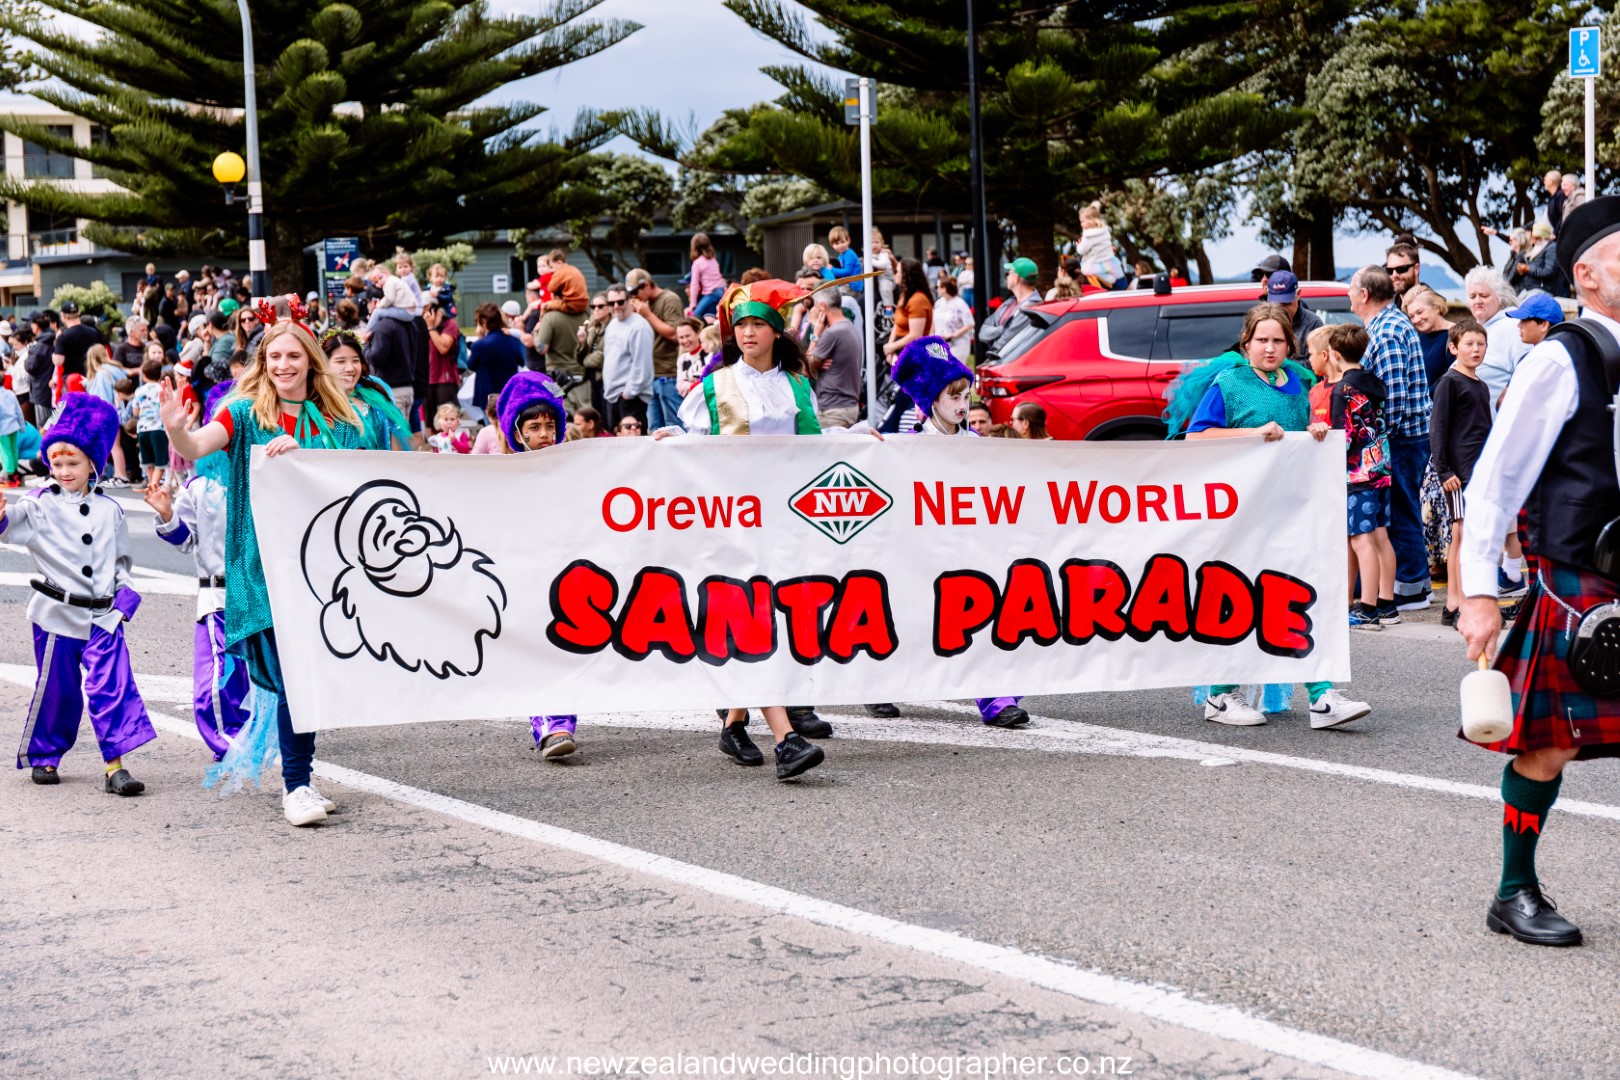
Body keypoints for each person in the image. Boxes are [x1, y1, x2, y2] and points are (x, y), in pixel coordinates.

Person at [1455, 196, 1620, 948]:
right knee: (1551, 744)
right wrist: (1478, 594)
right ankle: (1513, 891)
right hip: (1582, 578)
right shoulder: (1559, 359)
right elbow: (1495, 482)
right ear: (1586, 274)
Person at [159, 316, 369, 827]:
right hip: (263, 567)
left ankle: (302, 779)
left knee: (309, 678)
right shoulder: (243, 413)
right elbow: (196, 447)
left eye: (293, 355)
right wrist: (175, 428)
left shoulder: (340, 419)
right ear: (263, 362)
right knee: (294, 676)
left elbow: (357, 477)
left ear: (311, 361)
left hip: (325, 570)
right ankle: (296, 786)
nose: (283, 365)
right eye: (274, 356)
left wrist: (306, 454)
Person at [665, 279, 855, 778]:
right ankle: (786, 740)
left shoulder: (797, 385)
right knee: (758, 620)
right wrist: (670, 443)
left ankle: (733, 723)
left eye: (757, 325)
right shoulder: (714, 385)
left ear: (775, 332)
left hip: (786, 521)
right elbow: (695, 448)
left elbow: (813, 449)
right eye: (742, 325)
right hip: (732, 522)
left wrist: (857, 439)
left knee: (771, 619)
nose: (747, 332)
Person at [1167, 303, 1368, 729]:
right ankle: (1221, 695)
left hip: (1291, 509)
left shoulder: (1300, 382)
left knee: (1297, 596)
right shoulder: (1230, 382)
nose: (1270, 348)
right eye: (1262, 340)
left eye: (1278, 340)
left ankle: (1320, 695)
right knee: (1245, 600)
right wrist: (1253, 433)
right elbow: (1197, 436)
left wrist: (1314, 432)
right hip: (1240, 513)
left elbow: (1300, 432)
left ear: (1290, 345)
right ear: (1247, 342)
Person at [868, 336, 1030, 726]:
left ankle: (996, 696)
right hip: (919, 550)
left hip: (969, 548)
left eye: (965, 396)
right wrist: (866, 444)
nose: (961, 405)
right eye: (952, 396)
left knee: (985, 612)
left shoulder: (977, 443)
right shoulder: (907, 444)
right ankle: (879, 683)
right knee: (908, 616)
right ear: (931, 400)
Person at [2, 392, 153, 794]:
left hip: (104, 616)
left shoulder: (111, 510)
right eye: (56, 463)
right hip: (56, 616)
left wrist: (124, 602)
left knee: (112, 689)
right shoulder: (39, 504)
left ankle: (115, 767)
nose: (64, 471)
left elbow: (122, 564)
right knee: (59, 692)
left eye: (73, 462)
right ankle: (46, 755)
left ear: (93, 463)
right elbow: (10, 522)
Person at [145, 383, 250, 761]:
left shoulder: (265, 479)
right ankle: (228, 742)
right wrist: (167, 514)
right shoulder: (200, 487)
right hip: (218, 597)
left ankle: (258, 736)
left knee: (255, 673)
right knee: (218, 676)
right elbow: (186, 539)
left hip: (259, 595)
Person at [1349, 265, 1432, 612]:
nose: (1349, 295)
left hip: (1400, 439)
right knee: (1400, 510)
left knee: (1400, 511)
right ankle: (1414, 583)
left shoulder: (1385, 332)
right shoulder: (1388, 325)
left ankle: (1412, 587)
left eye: (1351, 289)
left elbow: (1393, 396)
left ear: (1364, 294)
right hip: (1403, 437)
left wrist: (1379, 441)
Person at [1313, 324, 1397, 630]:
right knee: (1380, 536)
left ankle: (1368, 608)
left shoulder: (1343, 390)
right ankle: (1386, 602)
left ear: (1334, 355)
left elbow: (1341, 436)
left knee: (1361, 541)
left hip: (1356, 476)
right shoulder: (1375, 382)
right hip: (1381, 470)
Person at [1430, 320, 1492, 629]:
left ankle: (1457, 602)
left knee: (1467, 536)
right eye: (1469, 344)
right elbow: (1438, 428)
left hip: (1478, 472)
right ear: (1454, 348)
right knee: (1462, 534)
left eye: (1481, 344)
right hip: (1458, 473)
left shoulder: (1480, 385)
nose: (1476, 349)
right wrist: (1444, 470)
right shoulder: (1449, 382)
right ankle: (1456, 602)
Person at [321, 328, 411, 452]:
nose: (350, 368)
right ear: (324, 364)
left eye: (355, 360)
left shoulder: (377, 399)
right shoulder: (316, 404)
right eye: (341, 361)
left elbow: (397, 450)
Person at [626, 268, 684, 430]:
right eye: (630, 293)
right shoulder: (645, 304)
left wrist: (648, 315)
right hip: (650, 375)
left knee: (673, 428)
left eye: (635, 291)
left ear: (647, 285)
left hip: (668, 374)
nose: (634, 296)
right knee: (654, 429)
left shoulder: (669, 299)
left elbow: (674, 334)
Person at [1467, 265, 1528, 405]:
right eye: (1472, 296)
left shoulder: (1514, 326)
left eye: (1484, 295)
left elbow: (1527, 374)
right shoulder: (1477, 328)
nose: (1477, 301)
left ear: (1500, 298)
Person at [603, 284, 654, 432]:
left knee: (633, 441)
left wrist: (628, 394)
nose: (616, 306)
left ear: (629, 301)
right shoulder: (612, 324)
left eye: (620, 302)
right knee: (614, 441)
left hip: (631, 397)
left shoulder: (639, 327)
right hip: (612, 395)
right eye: (611, 303)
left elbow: (642, 365)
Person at [808, 292, 862, 429]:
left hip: (832, 410)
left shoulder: (832, 333)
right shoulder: (849, 327)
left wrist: (815, 335)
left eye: (815, 308)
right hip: (846, 407)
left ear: (822, 306)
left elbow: (805, 368)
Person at [467, 302, 525, 410]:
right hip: (509, 394)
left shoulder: (480, 345)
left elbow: (471, 365)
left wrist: (480, 338)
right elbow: (521, 362)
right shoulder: (512, 341)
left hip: (488, 398)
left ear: (483, 322)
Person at [979, 258, 1040, 357]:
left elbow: (1004, 343)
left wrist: (995, 332)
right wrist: (1002, 329)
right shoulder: (1010, 302)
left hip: (1009, 361)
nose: (1007, 277)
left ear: (1016, 278)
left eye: (1009, 273)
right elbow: (983, 332)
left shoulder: (1033, 308)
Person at [1404, 286, 1457, 393]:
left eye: (1420, 312)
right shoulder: (1418, 340)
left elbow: (1455, 379)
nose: (1416, 320)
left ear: (1436, 307)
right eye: (1411, 316)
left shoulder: (1457, 336)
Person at [1263, 271, 1322, 362]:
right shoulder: (1259, 322)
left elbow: (1318, 363)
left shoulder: (1313, 324)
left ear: (1298, 294)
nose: (1281, 310)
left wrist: (1282, 364)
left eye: (1286, 304)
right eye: (1276, 305)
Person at [130, 357, 168, 492]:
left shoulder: (139, 390)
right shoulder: (163, 389)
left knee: (148, 461)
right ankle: (154, 486)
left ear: (144, 375)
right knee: (160, 461)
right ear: (160, 374)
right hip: (159, 428)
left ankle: (151, 486)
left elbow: (135, 412)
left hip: (142, 428)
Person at [422, 299, 462, 418]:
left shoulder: (449, 324)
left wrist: (431, 328)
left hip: (445, 379)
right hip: (426, 378)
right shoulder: (420, 324)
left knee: (447, 419)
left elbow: (443, 348)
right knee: (429, 421)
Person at [1075, 203, 1122, 287]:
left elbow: (1081, 250)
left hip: (1094, 265)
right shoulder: (1104, 231)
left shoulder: (1088, 235)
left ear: (1091, 221)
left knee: (1085, 271)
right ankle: (1109, 279)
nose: (1081, 224)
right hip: (1107, 262)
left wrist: (1079, 245)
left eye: (1082, 221)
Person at [934, 273, 974, 362]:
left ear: (944, 289)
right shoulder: (939, 303)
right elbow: (934, 323)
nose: (936, 289)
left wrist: (954, 335)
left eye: (938, 287)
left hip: (958, 344)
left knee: (952, 368)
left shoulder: (960, 303)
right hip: (940, 344)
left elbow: (969, 323)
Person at [687, 233, 726, 319]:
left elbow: (694, 285)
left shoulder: (697, 263)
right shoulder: (713, 260)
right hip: (722, 290)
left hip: (711, 293)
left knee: (694, 317)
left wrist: (692, 304)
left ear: (694, 247)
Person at [1517, 223, 1562, 296]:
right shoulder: (1539, 248)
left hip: (1542, 289)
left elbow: (1548, 271)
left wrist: (1528, 269)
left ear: (1542, 237)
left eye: (1536, 238)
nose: (1534, 241)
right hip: (1530, 288)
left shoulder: (1552, 248)